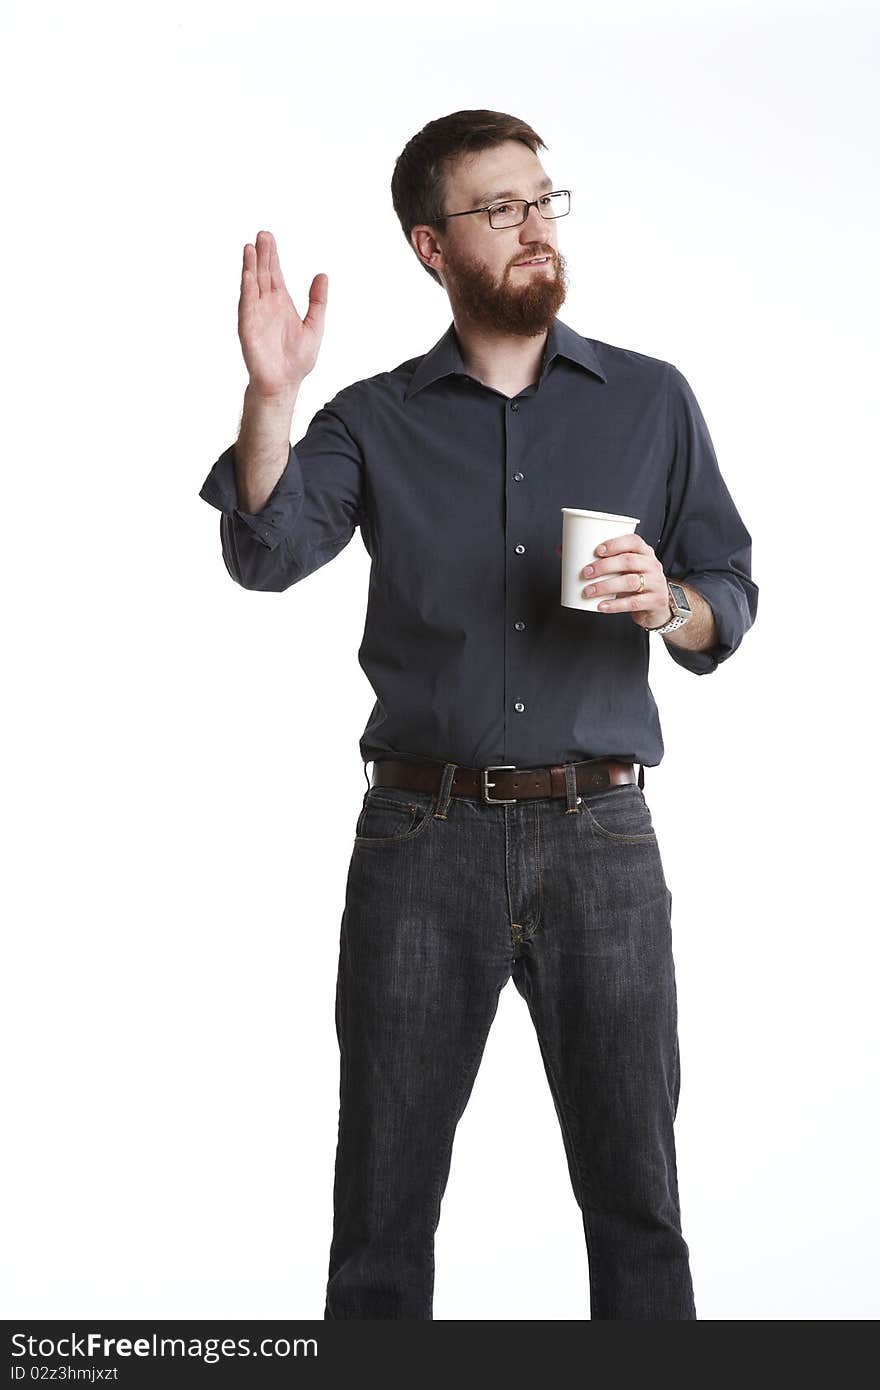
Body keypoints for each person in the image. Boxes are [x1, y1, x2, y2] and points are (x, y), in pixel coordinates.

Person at [198, 109, 758, 1321]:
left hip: (601, 838)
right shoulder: (373, 416)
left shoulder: (652, 401)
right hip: (419, 842)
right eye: (498, 210)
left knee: (638, 1209)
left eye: (543, 201)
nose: (532, 229)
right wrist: (269, 399)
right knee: (381, 1215)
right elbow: (267, 549)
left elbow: (732, 594)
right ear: (430, 246)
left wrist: (673, 604)